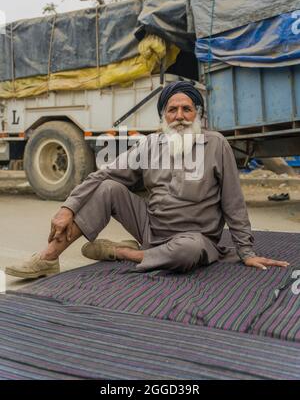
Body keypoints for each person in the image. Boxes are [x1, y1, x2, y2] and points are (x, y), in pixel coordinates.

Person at [5, 80, 289, 279]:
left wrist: (246, 251)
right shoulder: (150, 144)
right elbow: (103, 172)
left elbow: (233, 202)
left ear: (198, 115)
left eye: (186, 109)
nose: (179, 116)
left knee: (189, 251)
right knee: (107, 187)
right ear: (164, 116)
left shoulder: (215, 144)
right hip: (151, 228)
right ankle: (47, 258)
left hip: (196, 238)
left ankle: (121, 253)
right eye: (172, 110)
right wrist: (67, 208)